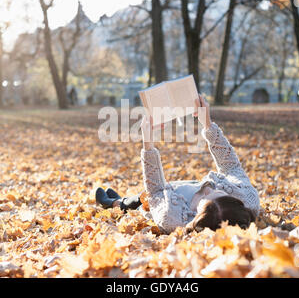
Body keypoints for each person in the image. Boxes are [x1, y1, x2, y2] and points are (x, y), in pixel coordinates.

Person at [95, 95, 260, 234]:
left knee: (142, 200)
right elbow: (230, 166)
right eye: (218, 193)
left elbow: (155, 190)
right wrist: (207, 123)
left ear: (197, 216)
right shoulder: (248, 199)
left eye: (205, 196)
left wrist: (148, 143)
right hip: (184, 188)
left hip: (167, 197)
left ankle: (117, 203)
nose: (208, 188)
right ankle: (121, 200)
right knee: (199, 185)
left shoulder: (171, 217)